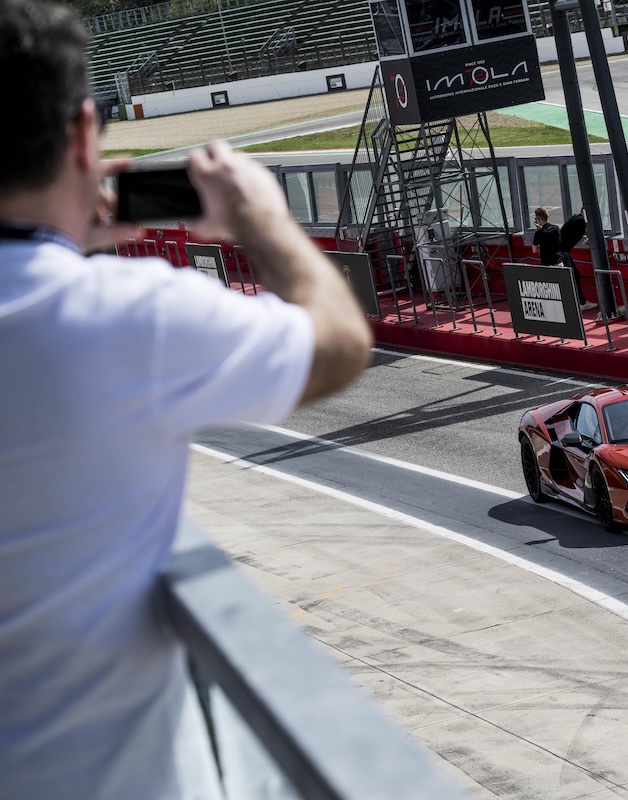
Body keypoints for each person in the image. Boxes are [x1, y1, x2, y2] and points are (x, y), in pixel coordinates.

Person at [0, 1, 373, 798]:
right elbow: (341, 344)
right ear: (82, 135)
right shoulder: (125, 315)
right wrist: (261, 220)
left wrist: (55, 241)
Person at [531, 206, 597, 311]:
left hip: (559, 254)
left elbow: (535, 248)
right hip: (562, 253)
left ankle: (577, 302)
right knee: (573, 276)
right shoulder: (573, 223)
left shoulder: (576, 219)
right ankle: (580, 302)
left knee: (569, 277)